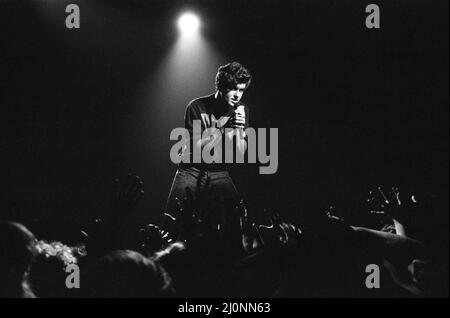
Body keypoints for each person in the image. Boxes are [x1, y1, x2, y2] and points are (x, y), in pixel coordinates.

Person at [164, 61, 252, 242]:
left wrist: (240, 129)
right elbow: (196, 149)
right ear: (221, 86)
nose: (237, 95)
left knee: (238, 222)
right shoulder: (196, 107)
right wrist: (224, 127)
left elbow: (239, 155)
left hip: (219, 171)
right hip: (191, 169)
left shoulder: (241, 111)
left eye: (241, 90)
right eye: (233, 89)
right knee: (172, 219)